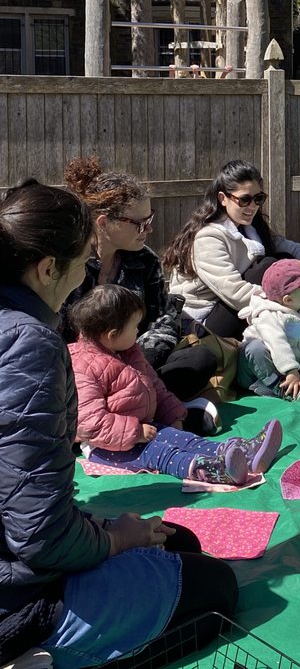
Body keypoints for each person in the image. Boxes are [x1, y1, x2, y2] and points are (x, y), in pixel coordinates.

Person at [0, 180, 237, 667]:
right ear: (47, 268)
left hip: (23, 547)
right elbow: (40, 534)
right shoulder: (29, 344)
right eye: (81, 260)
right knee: (217, 589)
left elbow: (25, 495)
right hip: (17, 596)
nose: (88, 270)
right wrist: (115, 538)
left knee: (181, 542)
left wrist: (104, 525)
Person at [69, 285, 282, 485]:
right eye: (134, 327)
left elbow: (155, 387)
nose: (138, 332)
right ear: (112, 334)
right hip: (104, 445)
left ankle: (243, 452)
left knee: (186, 440)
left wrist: (173, 415)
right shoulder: (83, 367)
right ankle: (214, 470)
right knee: (163, 454)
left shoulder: (129, 353)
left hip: (143, 427)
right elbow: (90, 422)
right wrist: (135, 432)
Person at [62, 157, 217, 416]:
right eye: (139, 223)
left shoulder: (145, 260)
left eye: (150, 218)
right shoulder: (70, 263)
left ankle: (130, 410)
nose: (149, 229)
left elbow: (164, 320)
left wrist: (136, 360)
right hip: (80, 372)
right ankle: (148, 410)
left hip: (137, 364)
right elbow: (56, 334)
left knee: (201, 359)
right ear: (103, 223)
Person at [163, 159, 300, 343]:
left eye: (258, 198)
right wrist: (283, 297)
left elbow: (294, 249)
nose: (253, 206)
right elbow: (235, 292)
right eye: (245, 199)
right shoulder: (208, 238)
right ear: (223, 199)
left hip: (236, 307)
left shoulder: (251, 228)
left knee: (284, 261)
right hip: (203, 324)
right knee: (269, 266)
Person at [238, 259, 300, 400]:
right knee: (254, 348)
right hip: (256, 372)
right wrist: (291, 370)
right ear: (288, 300)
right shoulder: (268, 315)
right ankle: (282, 390)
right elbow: (277, 342)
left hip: (290, 367)